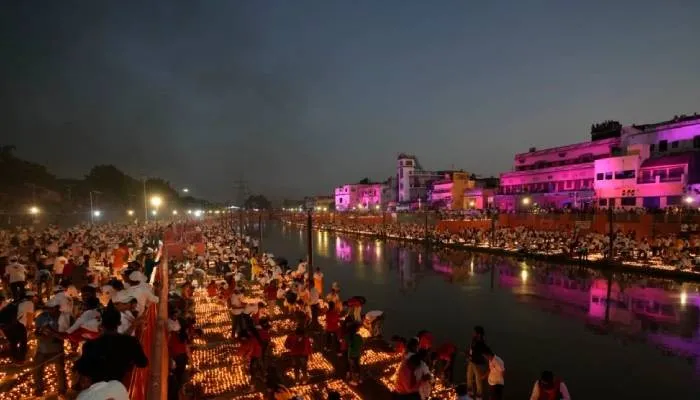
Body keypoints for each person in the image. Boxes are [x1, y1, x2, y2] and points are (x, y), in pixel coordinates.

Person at [74, 303, 148, 387]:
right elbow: (142, 363)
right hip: (122, 387)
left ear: (101, 324)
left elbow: (83, 369)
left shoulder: (89, 345)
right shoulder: (131, 342)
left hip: (99, 390)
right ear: (119, 323)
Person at [34, 297, 67, 396]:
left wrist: (56, 335)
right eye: (47, 308)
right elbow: (37, 332)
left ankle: (62, 389)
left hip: (57, 349)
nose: (48, 310)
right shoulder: (41, 317)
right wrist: (41, 333)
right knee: (37, 369)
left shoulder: (64, 317)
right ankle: (39, 388)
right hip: (42, 348)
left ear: (57, 308)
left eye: (51, 308)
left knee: (60, 370)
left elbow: (67, 332)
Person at [466, 325, 488, 400]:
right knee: (469, 375)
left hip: (477, 362)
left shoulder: (481, 342)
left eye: (475, 332)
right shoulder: (474, 339)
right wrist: (469, 355)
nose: (473, 333)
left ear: (479, 333)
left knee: (478, 379)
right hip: (471, 360)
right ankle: (470, 391)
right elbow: (471, 348)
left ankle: (479, 395)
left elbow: (482, 353)